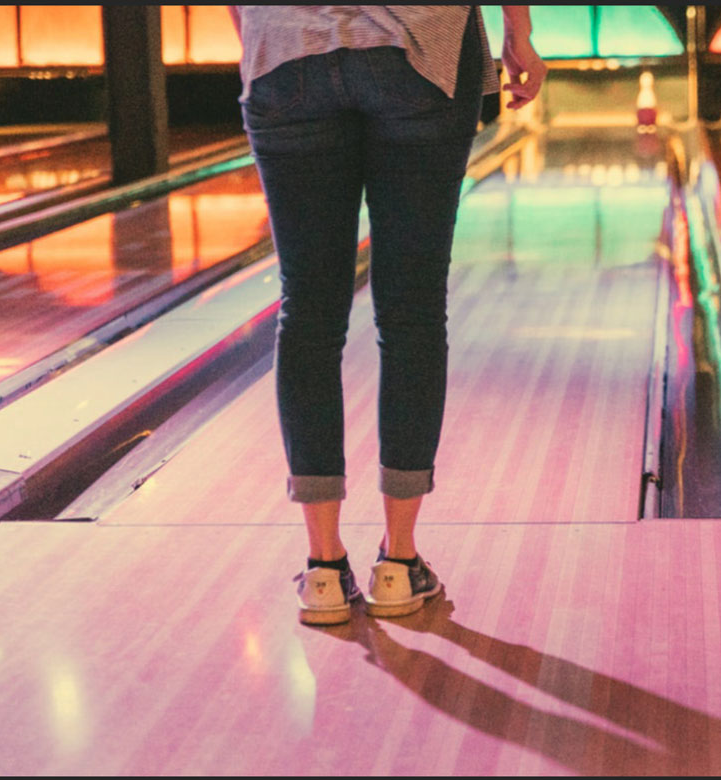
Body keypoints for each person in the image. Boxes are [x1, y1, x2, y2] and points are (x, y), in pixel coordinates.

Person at [229, 6, 546, 625]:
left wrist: (267, 34)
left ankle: (323, 568)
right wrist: (519, 35)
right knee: (412, 309)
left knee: (309, 309)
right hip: (419, 49)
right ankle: (398, 563)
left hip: (284, 53)